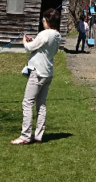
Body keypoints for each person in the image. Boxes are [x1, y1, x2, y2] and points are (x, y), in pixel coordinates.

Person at [11, 8, 63, 145]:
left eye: (44, 20)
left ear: (48, 21)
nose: (43, 22)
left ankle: (25, 136)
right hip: (48, 73)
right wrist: (35, 41)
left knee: (27, 103)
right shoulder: (58, 36)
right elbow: (46, 48)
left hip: (38, 73)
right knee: (41, 104)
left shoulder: (45, 33)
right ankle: (38, 135)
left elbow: (29, 48)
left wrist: (25, 41)